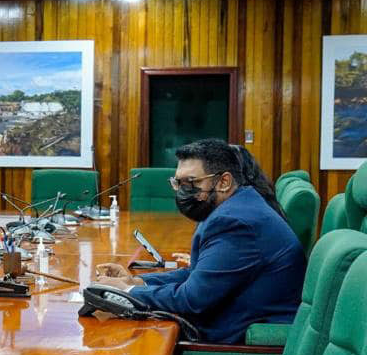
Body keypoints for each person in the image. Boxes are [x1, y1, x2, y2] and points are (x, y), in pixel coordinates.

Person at [95, 139, 305, 344]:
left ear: (224, 182)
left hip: (243, 342)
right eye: (178, 183)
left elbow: (192, 299)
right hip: (237, 319)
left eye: (192, 183)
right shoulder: (237, 205)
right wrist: (137, 282)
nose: (183, 191)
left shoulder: (235, 223)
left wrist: (126, 292)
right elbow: (198, 274)